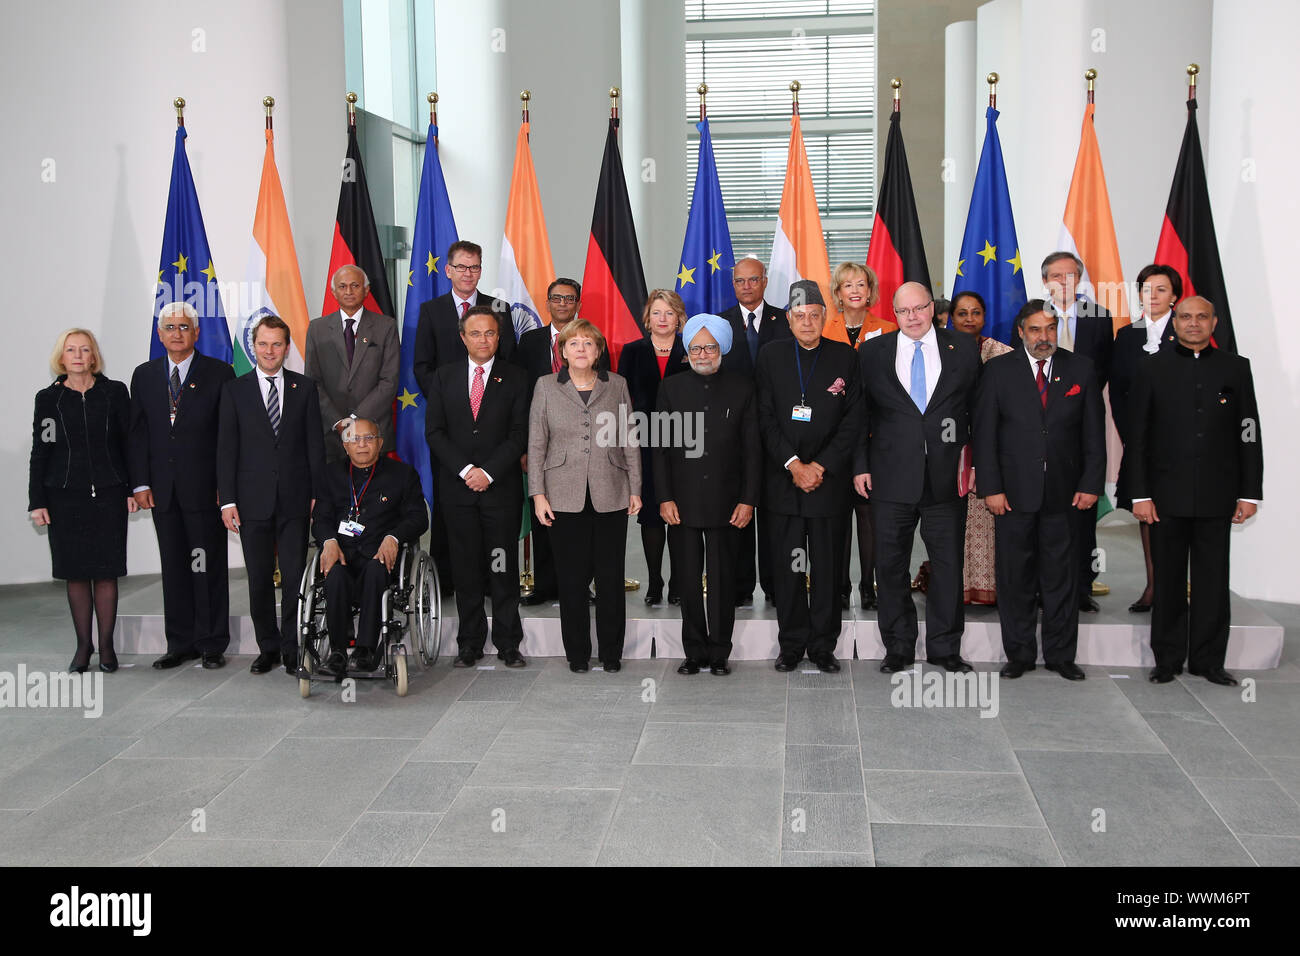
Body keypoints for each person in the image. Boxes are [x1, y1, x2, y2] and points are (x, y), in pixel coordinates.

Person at [1125, 297, 1263, 686]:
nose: (1193, 323)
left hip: (1219, 496)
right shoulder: (1152, 368)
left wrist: (1249, 493)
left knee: (1212, 582)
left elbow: (1248, 431)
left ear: (1214, 323)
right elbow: (1138, 437)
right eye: (1185, 316)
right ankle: (1166, 659)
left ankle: (1208, 661)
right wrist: (1140, 494)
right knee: (1167, 581)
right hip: (1165, 497)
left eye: (1202, 317)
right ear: (1175, 322)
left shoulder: (1236, 369)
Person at [975, 300, 1105, 680]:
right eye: (1035, 329)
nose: (1043, 337)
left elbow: (1094, 434)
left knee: (1061, 577)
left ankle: (1061, 656)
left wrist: (1091, 484)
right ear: (1021, 332)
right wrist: (991, 488)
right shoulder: (998, 371)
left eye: (1050, 328)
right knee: (1015, 577)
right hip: (1012, 496)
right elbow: (984, 435)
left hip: (1067, 495)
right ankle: (1019, 654)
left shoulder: (1080, 368)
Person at [855, 281, 981, 674]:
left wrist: (977, 465)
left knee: (947, 566)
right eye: (904, 311)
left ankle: (945, 647)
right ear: (894, 313)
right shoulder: (873, 353)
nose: (912, 317)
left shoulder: (963, 351)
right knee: (890, 565)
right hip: (890, 479)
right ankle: (898, 646)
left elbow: (978, 414)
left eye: (919, 309)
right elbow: (859, 415)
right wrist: (860, 465)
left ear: (932, 309)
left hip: (947, 480)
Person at [756, 280, 861, 673]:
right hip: (784, 482)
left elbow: (854, 420)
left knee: (827, 568)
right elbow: (763, 416)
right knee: (788, 568)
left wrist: (820, 465)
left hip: (828, 483)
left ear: (824, 317)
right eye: (799, 316)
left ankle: (822, 646)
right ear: (788, 318)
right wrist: (793, 464)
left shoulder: (845, 358)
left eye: (814, 315)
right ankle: (791, 644)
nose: (807, 322)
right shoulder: (770, 356)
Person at [529, 319, 641, 672]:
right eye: (573, 343)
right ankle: (577, 654)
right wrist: (538, 494)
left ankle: (611, 653)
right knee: (571, 580)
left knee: (610, 578)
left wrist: (635, 488)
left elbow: (630, 439)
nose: (580, 349)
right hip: (562, 494)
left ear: (598, 351)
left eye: (588, 344)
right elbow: (536, 444)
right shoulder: (545, 386)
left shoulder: (617, 384)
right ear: (562, 351)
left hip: (611, 489)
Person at [128, 302, 235, 670]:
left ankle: (211, 642)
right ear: (160, 335)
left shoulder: (220, 373)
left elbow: (227, 436)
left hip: (205, 490)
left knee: (206, 565)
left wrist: (226, 486)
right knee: (174, 566)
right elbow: (137, 434)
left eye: (184, 327)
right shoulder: (143, 375)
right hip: (162, 491)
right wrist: (140, 483)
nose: (177, 333)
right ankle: (180, 643)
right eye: (170, 327)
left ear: (196, 332)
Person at [218, 314, 326, 675]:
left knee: (294, 576)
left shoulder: (304, 388)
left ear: (286, 347)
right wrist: (228, 500)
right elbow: (226, 450)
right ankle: (268, 648)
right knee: (260, 577)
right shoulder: (234, 390)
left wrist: (315, 493)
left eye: (277, 344)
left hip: (295, 500)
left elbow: (315, 446)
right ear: (253, 347)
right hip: (251, 501)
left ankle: (292, 646)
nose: (269, 350)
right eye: (263, 344)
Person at [426, 305, 529, 668]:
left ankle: (507, 643)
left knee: (502, 568)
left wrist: (488, 472)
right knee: (466, 570)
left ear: (498, 338)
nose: (483, 339)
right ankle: (469, 643)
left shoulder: (516, 378)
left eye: (490, 333)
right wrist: (468, 470)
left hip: (499, 492)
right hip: (457, 493)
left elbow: (519, 436)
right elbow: (435, 433)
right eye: (475, 333)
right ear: (462, 338)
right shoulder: (443, 377)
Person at [656, 313, 760, 676]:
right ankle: (694, 651)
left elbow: (753, 451)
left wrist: (748, 499)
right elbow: (661, 449)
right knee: (686, 579)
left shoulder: (743, 387)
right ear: (687, 352)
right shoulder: (671, 387)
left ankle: (719, 652)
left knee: (722, 581)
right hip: (680, 502)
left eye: (710, 347)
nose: (702, 354)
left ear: (722, 349)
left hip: (728, 502)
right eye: (696, 347)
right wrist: (664, 497)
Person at [29, 329, 135, 673]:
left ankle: (106, 648)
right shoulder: (49, 400)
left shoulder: (115, 393)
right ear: (61, 358)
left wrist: (133, 488)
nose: (77, 355)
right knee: (75, 574)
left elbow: (128, 444)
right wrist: (37, 501)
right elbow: (40, 452)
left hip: (109, 495)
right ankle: (83, 646)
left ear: (94, 356)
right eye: (71, 350)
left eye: (84, 349)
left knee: (106, 573)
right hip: (64, 498)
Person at [412, 240, 514, 593]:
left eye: (475, 267)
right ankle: (450, 580)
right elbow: (422, 365)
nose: (468, 273)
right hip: (450, 428)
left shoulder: (498, 307)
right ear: (449, 270)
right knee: (452, 509)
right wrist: (449, 402)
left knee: (495, 515)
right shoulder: (431, 310)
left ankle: (491, 582)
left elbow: (510, 362)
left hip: (495, 428)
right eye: (462, 267)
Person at [513, 277, 609, 607]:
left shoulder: (594, 341)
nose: (563, 304)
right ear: (548, 302)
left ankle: (581, 585)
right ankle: (544, 584)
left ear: (578, 304)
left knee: (583, 521)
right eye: (557, 298)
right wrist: (526, 447)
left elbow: (604, 396)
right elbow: (522, 397)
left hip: (583, 447)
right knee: (545, 516)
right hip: (542, 443)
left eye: (569, 299)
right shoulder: (528, 342)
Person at [311, 418, 428, 673]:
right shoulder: (330, 475)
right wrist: (329, 541)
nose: (362, 445)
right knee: (334, 575)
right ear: (345, 445)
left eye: (368, 438)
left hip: (381, 556)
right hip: (342, 554)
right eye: (354, 439)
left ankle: (365, 650)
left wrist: (394, 537)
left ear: (380, 443)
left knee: (377, 569)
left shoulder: (402, 474)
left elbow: (419, 518)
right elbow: (320, 519)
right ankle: (338, 652)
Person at [1041, 251, 1114, 613]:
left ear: (1079, 279)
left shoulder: (1099, 317)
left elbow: (1103, 369)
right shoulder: (1033, 317)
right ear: (1045, 282)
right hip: (1041, 424)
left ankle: (1082, 586)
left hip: (1083, 421)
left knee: (1082, 508)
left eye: (1070, 275)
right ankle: (1042, 585)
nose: (1063, 282)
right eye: (1056, 275)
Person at [718, 256, 790, 608]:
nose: (746, 286)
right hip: (734, 436)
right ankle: (741, 587)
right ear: (734, 285)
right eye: (740, 281)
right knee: (739, 514)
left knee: (775, 517)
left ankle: (777, 588)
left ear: (764, 282)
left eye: (753, 280)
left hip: (777, 433)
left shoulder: (787, 320)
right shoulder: (719, 324)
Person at [827, 261, 898, 611]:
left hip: (876, 436)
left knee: (869, 516)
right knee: (838, 515)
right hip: (835, 437)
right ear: (838, 294)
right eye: (847, 285)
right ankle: (839, 585)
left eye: (861, 284)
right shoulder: (823, 329)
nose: (855, 290)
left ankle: (869, 584)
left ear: (870, 291)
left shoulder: (889, 330)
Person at [1111, 264, 1181, 613]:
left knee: (1181, 516)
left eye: (1161, 290)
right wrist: (1132, 436)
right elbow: (1119, 394)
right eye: (1147, 289)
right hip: (1141, 446)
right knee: (1148, 516)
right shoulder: (1127, 336)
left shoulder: (1188, 332)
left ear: (1175, 297)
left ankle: (1178, 589)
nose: (1152, 296)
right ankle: (1153, 586)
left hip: (1183, 448)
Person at [617, 290, 688, 606]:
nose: (663, 319)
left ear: (679, 318)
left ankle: (678, 581)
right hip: (643, 443)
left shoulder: (692, 349)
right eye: (657, 312)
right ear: (647, 317)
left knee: (679, 513)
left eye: (669, 313)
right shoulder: (633, 351)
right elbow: (621, 399)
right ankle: (655, 580)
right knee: (650, 515)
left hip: (685, 442)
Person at [948, 290, 1013, 605]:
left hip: (994, 455)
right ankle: (954, 588)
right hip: (949, 454)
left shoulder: (1003, 354)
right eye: (962, 313)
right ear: (952, 318)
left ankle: (996, 588)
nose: (969, 319)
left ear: (984, 317)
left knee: (993, 523)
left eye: (975, 313)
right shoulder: (939, 351)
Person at [304, 264, 400, 463]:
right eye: (342, 286)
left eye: (355, 285)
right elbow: (313, 381)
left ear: (366, 290)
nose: (348, 291)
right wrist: (339, 422)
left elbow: (389, 381)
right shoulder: (317, 328)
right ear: (333, 292)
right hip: (332, 434)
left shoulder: (386, 326)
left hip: (373, 433)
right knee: (334, 492)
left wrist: (355, 422)